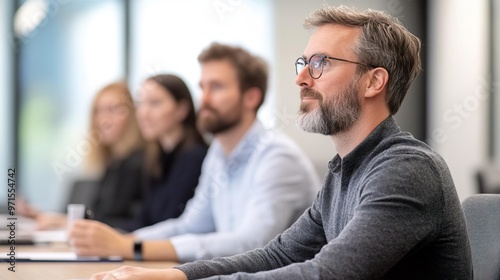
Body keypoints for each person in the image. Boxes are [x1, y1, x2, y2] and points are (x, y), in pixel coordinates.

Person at [91, 5, 473, 280]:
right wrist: (177, 276)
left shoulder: (406, 169)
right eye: (303, 63)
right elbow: (279, 253)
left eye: (321, 62)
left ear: (374, 81)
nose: (302, 78)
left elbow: (330, 273)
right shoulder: (343, 171)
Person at [70, 42, 320, 264]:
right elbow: (190, 225)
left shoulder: (277, 157)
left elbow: (251, 244)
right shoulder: (218, 154)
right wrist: (123, 240)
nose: (204, 99)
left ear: (251, 97)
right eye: (202, 87)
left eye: (217, 87)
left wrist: (131, 247)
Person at [32, 81, 146, 230]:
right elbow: (100, 215)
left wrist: (67, 222)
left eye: (112, 110)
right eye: (97, 111)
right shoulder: (114, 164)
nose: (102, 119)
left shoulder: (137, 164)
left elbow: (122, 222)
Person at [126, 74, 208, 231]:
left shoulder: (194, 158)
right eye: (140, 104)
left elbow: (169, 220)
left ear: (181, 110)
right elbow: (144, 220)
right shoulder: (157, 158)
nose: (143, 113)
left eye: (155, 103)